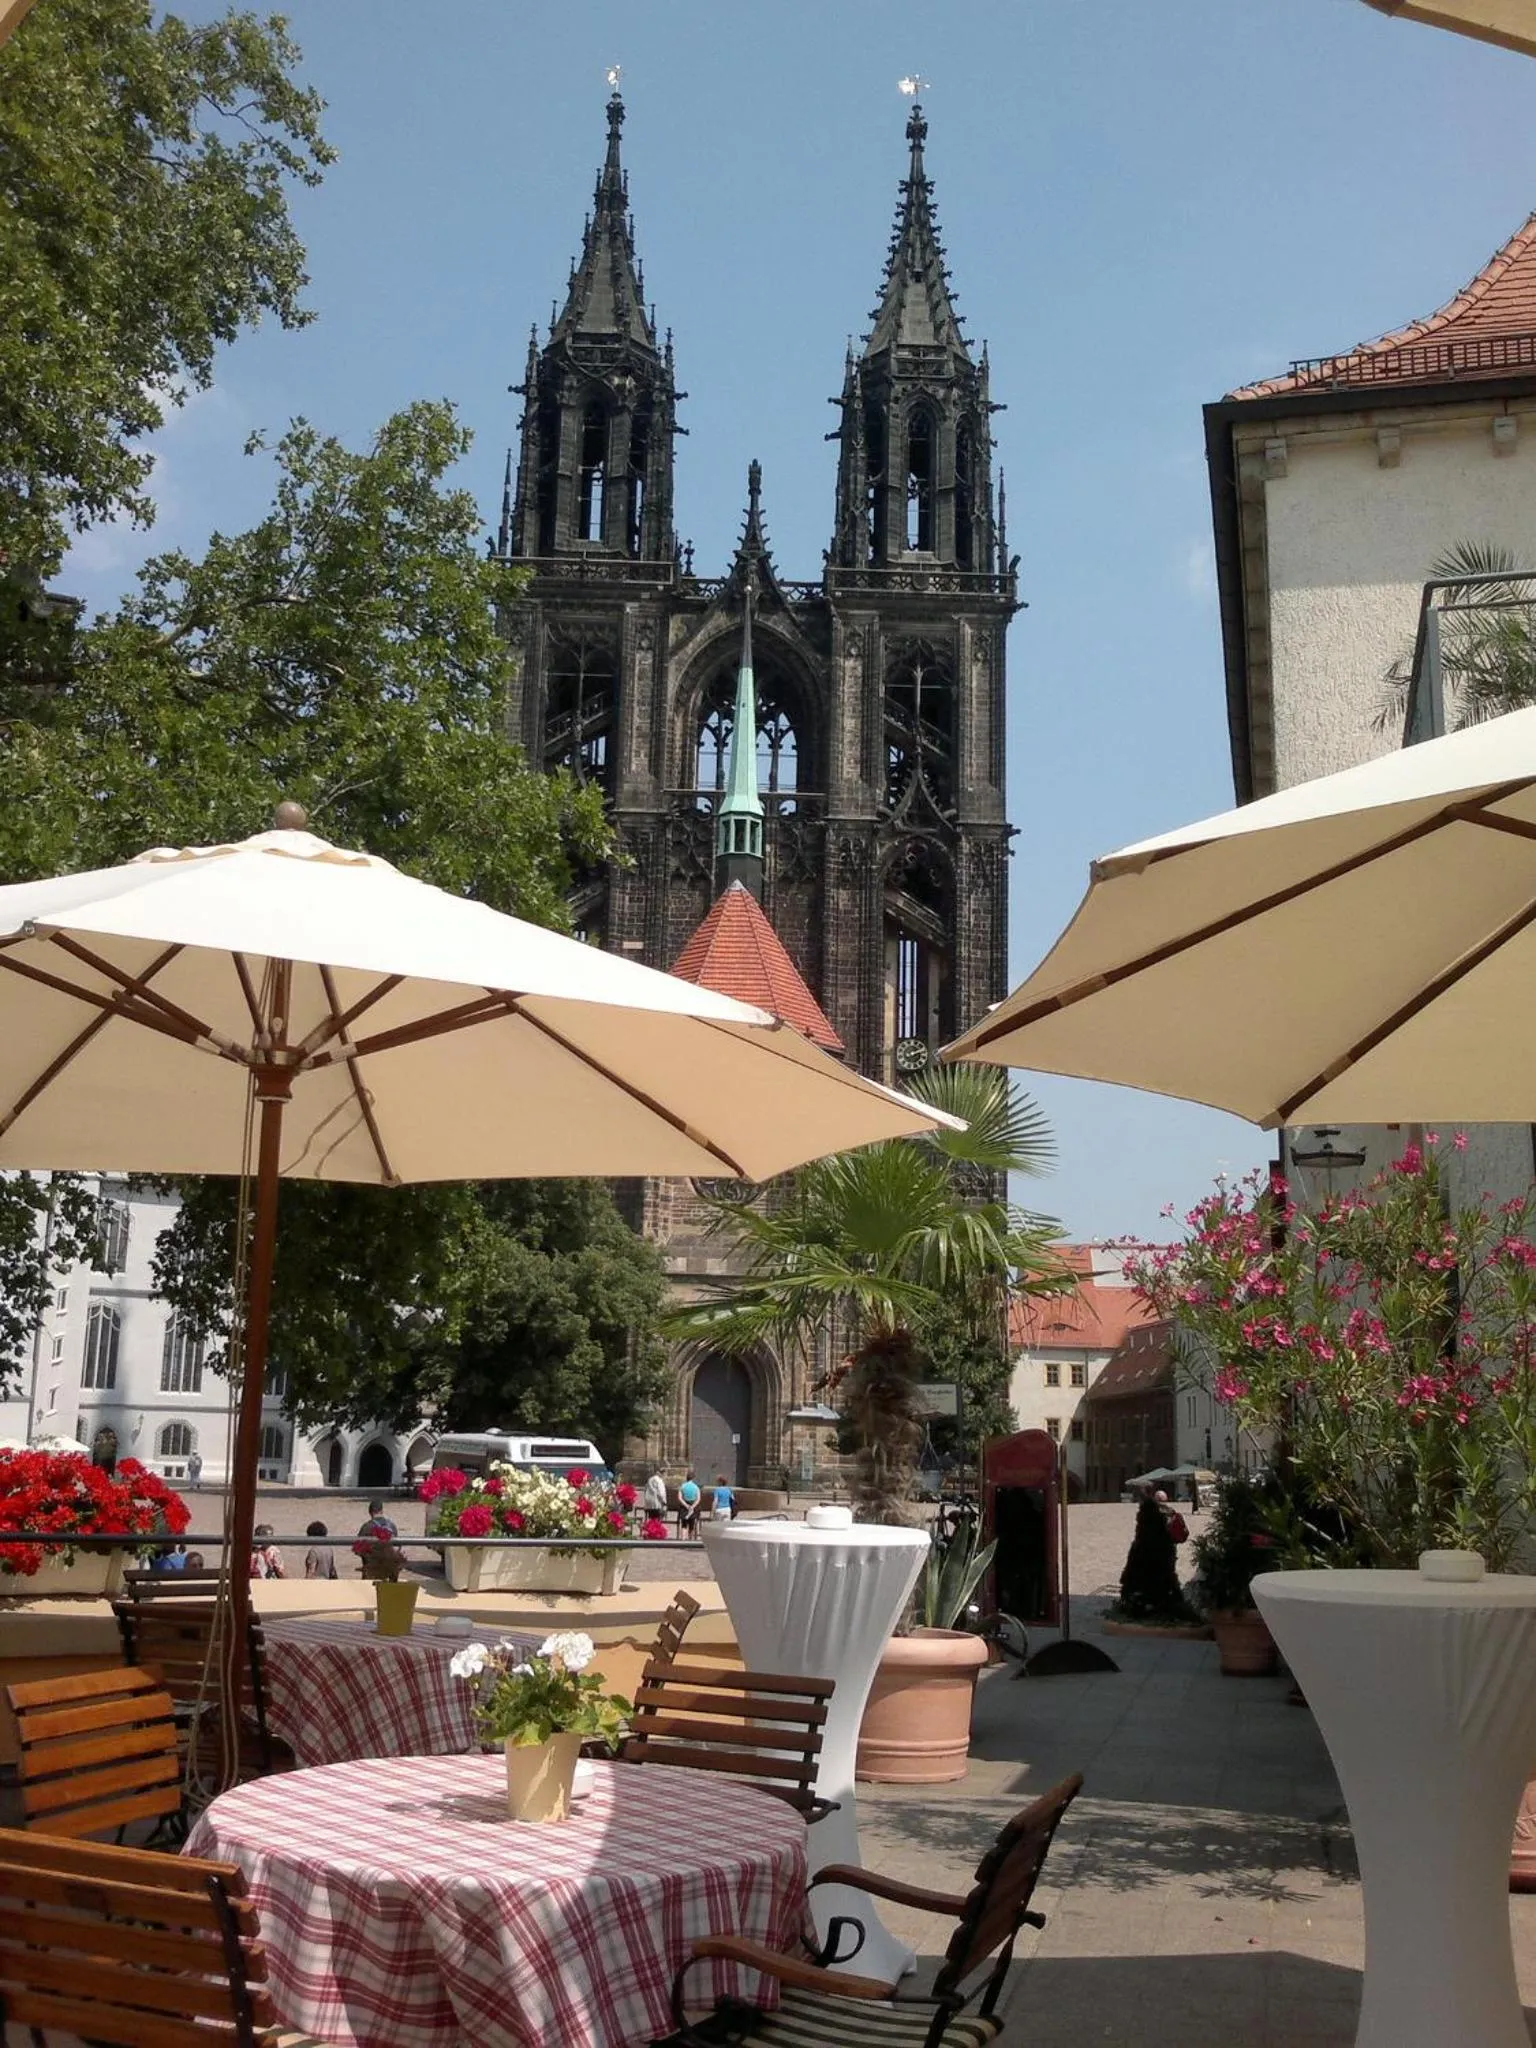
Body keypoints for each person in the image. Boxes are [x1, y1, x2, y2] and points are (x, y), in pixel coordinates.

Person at [677, 1470, 701, 1536]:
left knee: (684, 1525)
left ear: (686, 1478)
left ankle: (683, 1540)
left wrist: (686, 1505)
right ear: (693, 1478)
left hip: (684, 1506)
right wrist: (692, 1506)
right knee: (692, 1524)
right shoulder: (696, 1487)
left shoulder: (682, 1486)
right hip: (693, 1506)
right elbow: (698, 1499)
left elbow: (679, 1498)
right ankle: (690, 1541)